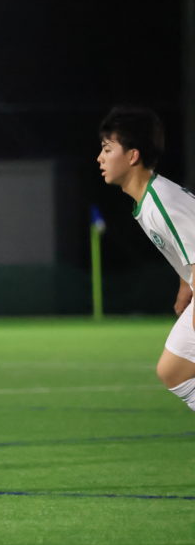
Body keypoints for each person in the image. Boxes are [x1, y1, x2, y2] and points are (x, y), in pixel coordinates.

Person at [97, 105, 195, 413]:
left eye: (107, 149)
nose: (100, 158)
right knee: (172, 370)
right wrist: (185, 285)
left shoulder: (161, 201)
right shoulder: (151, 199)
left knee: (174, 369)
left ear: (132, 156)